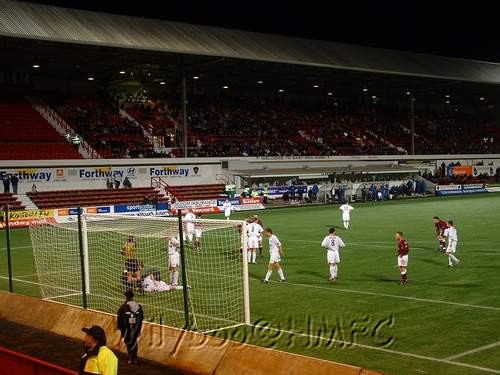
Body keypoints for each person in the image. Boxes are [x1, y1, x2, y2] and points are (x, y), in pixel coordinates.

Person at [117, 290, 144, 365]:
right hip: (136, 327)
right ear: (133, 297)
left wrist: (120, 327)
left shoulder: (123, 307)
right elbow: (141, 317)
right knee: (134, 342)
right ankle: (134, 358)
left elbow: (119, 319)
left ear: (126, 297)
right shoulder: (138, 306)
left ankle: (130, 358)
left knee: (128, 342)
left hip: (127, 328)